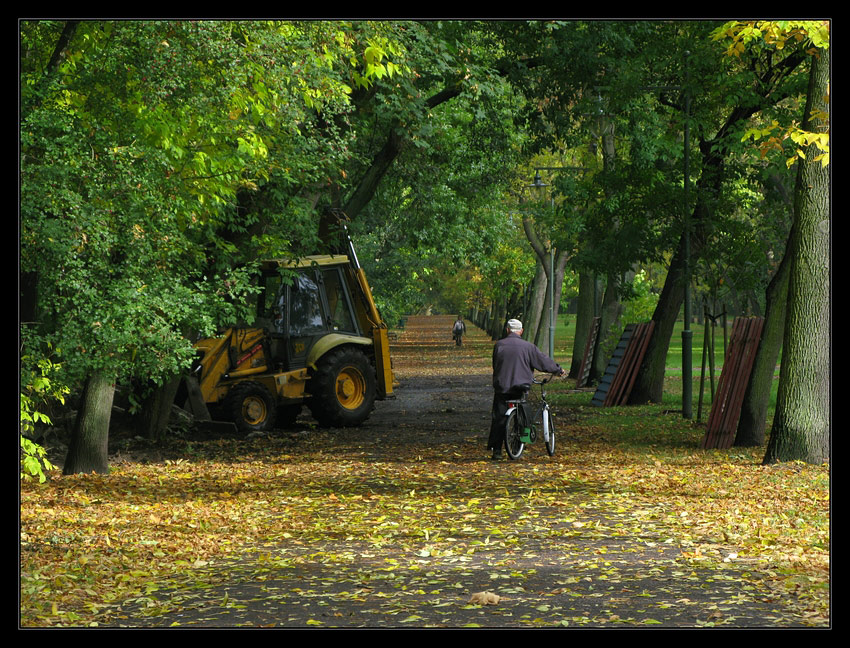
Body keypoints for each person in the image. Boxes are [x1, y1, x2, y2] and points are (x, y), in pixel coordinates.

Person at [488, 318, 564, 459]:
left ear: (507, 330)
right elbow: (542, 361)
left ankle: (496, 450)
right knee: (522, 413)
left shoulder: (499, 345)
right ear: (521, 331)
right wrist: (557, 370)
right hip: (520, 386)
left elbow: (495, 364)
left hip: (502, 386)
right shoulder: (528, 347)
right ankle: (518, 444)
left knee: (499, 417)